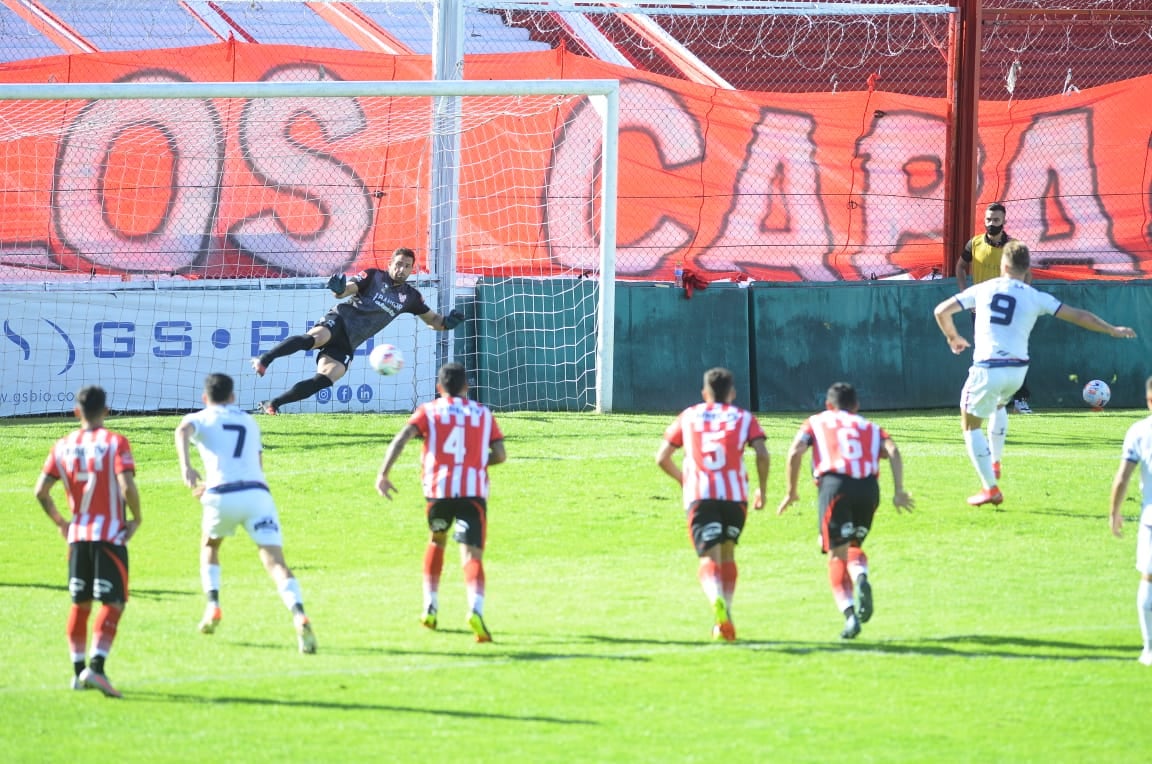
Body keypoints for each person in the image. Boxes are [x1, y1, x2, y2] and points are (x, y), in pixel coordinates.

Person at [935, 240, 1136, 507]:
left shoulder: (984, 288)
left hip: (988, 367)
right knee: (999, 404)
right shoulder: (1035, 296)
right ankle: (995, 461)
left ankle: (990, 488)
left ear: (1003, 265)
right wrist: (1112, 329)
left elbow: (941, 310)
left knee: (970, 425)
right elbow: (1079, 315)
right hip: (1017, 371)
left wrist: (953, 337)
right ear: (1027, 269)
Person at [174, 373, 317, 654]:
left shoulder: (201, 417)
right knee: (275, 562)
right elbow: (257, 465)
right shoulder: (248, 421)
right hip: (257, 495)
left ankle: (213, 605)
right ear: (233, 397)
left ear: (206, 398)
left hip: (221, 495)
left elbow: (181, 431)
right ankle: (299, 613)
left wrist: (187, 468)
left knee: (210, 545)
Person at [376, 362, 506, 643]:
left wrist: (383, 473)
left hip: (438, 491)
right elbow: (500, 454)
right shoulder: (483, 414)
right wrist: (475, 463)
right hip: (472, 493)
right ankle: (475, 609)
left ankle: (430, 607)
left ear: (439, 388)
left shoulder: (429, 411)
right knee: (471, 555)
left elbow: (403, 438)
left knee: (437, 540)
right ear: (467, 387)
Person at [252, 247, 465, 414]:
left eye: (407, 266)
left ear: (411, 270)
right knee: (315, 338)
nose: (402, 269)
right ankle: (265, 359)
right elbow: (346, 291)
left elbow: (433, 321)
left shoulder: (411, 297)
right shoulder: (373, 276)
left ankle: (273, 404)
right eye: (398, 264)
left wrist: (447, 323)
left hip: (350, 341)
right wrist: (338, 289)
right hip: (340, 321)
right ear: (390, 264)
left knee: (327, 377)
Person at [777, 382, 913, 640]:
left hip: (835, 487)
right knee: (852, 546)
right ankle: (861, 576)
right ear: (856, 406)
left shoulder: (816, 421)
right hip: (869, 490)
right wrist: (899, 490)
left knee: (836, 554)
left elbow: (796, 450)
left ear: (829, 405)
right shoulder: (870, 426)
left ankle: (850, 616)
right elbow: (892, 450)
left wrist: (791, 491)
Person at [34, 386, 142, 698]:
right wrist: (136, 518)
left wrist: (61, 523)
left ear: (76, 412)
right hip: (109, 535)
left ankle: (77, 671)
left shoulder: (63, 445)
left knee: (80, 604)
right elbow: (126, 485)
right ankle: (96, 668)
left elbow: (41, 491)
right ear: (106, 411)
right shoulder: (115, 442)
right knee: (114, 602)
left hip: (78, 536)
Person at [656, 367, 771, 642]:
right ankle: (726, 615)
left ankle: (718, 604)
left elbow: (662, 457)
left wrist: (684, 480)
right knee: (728, 555)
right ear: (732, 393)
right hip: (735, 497)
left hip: (701, 494)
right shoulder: (744, 418)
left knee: (709, 558)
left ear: (705, 393)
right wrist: (762, 490)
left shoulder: (690, 415)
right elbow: (763, 454)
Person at [956, 202, 1033, 414]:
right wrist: (966, 295)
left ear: (1004, 221)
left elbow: (1027, 273)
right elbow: (960, 267)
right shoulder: (975, 243)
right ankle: (990, 400)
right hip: (981, 310)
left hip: (1008, 310)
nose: (992, 224)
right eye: (989, 220)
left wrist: (1020, 298)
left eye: (996, 220)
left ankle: (1020, 400)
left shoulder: (1014, 247)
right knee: (985, 355)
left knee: (1013, 352)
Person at [1108, 376, 1152, 666]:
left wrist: (1114, 512)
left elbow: (1123, 477)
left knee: (1148, 580)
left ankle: (1149, 649)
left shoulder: (1140, 431)